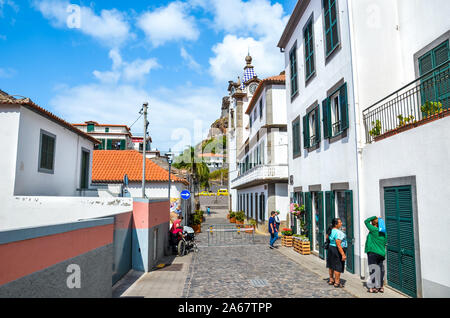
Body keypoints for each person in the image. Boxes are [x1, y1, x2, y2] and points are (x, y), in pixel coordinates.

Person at [365, 216, 387, 293]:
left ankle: (374, 288)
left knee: (373, 269)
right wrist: (380, 220)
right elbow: (385, 243)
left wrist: (375, 217)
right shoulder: (384, 233)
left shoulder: (373, 230)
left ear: (373, 223)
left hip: (373, 252)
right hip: (381, 253)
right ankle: (381, 287)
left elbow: (366, 221)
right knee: (380, 270)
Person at [326, 218, 347, 288]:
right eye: (340, 222)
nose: (341, 223)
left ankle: (331, 280)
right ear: (336, 224)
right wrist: (343, 254)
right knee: (338, 266)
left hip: (331, 248)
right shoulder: (339, 233)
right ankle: (337, 282)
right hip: (337, 250)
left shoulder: (330, 230)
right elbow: (338, 244)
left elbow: (327, 237)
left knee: (331, 265)